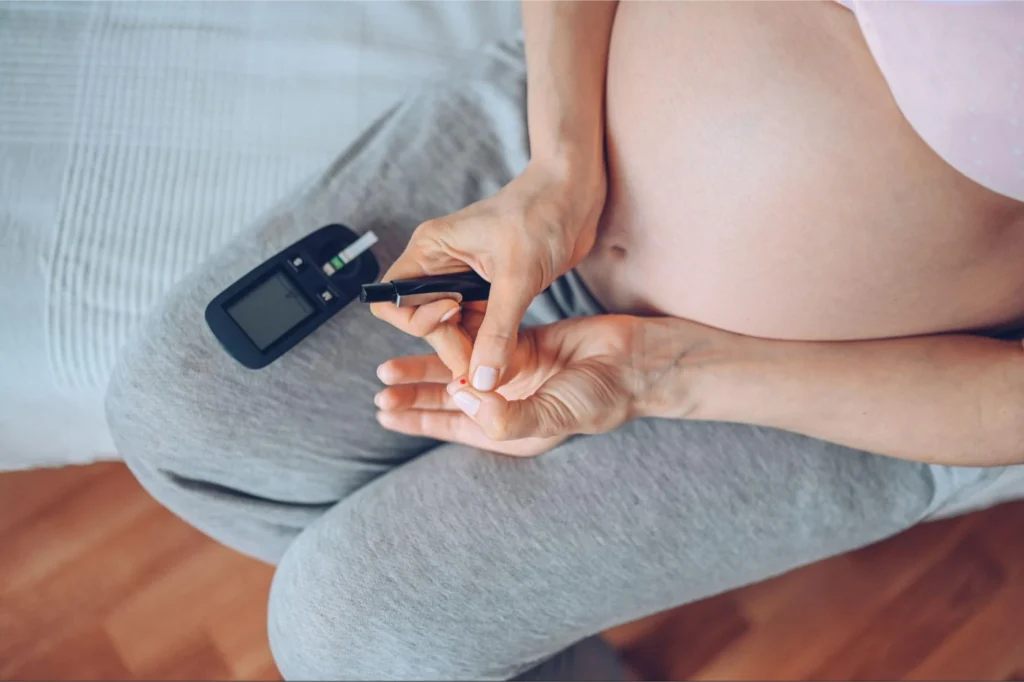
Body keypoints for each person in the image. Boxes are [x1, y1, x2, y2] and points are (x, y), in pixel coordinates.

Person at [106, 1, 1024, 679]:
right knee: (178, 417)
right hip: (552, 123)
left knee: (356, 630)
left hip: (836, 383)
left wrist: (663, 375)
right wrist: (559, 166)